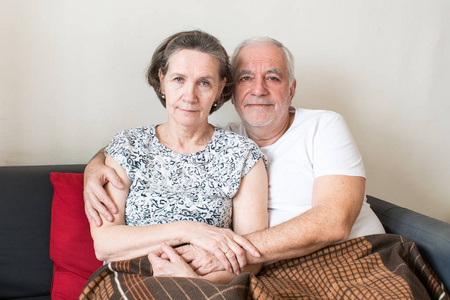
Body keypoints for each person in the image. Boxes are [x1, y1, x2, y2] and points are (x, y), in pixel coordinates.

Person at [84, 36, 385, 275]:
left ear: (291, 89)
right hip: (275, 268)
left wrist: (214, 252)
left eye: (273, 77)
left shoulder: (322, 126)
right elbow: (148, 144)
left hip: (347, 254)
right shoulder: (229, 137)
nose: (258, 90)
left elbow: (334, 221)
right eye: (246, 78)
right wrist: (95, 166)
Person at [86, 30, 269, 284]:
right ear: (162, 81)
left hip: (207, 287)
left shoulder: (242, 155)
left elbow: (252, 260)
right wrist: (187, 230)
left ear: (220, 89)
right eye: (178, 79)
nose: (189, 96)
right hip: (130, 280)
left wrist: (193, 281)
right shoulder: (128, 147)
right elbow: (105, 244)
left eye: (204, 82)